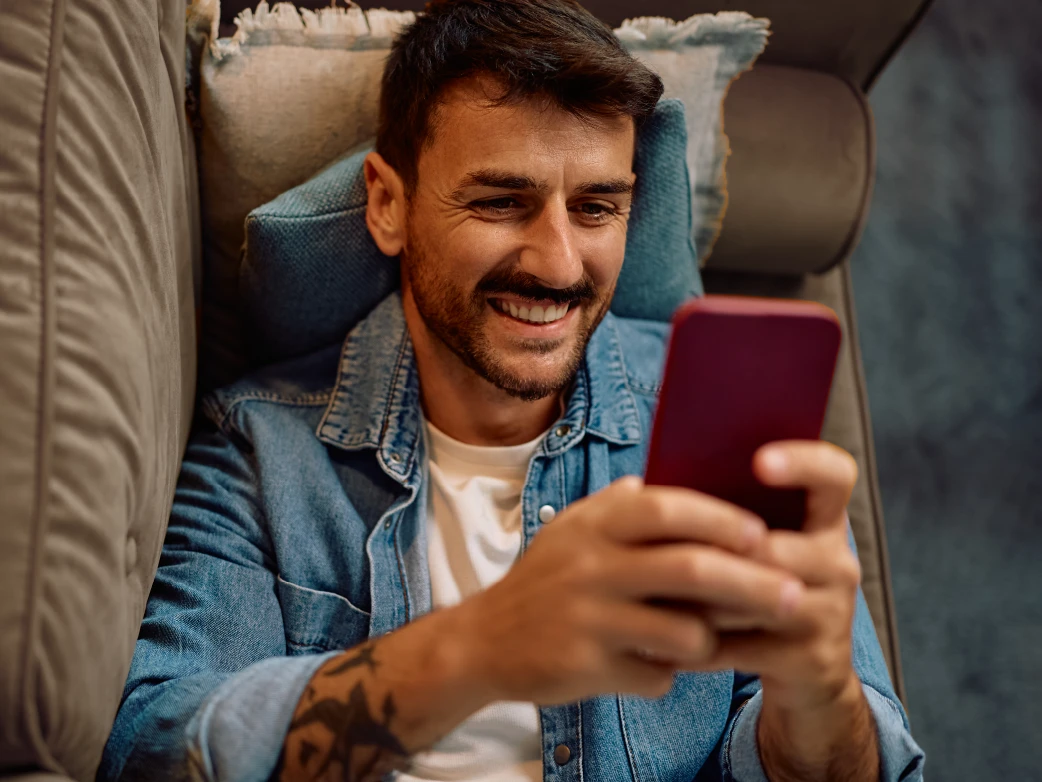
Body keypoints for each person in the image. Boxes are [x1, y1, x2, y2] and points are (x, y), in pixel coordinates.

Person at [101, 1, 925, 780]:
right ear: (388, 205)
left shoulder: (727, 416)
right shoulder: (257, 445)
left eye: (597, 207)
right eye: (502, 202)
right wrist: (482, 647)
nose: (560, 264)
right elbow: (156, 749)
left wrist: (816, 693)